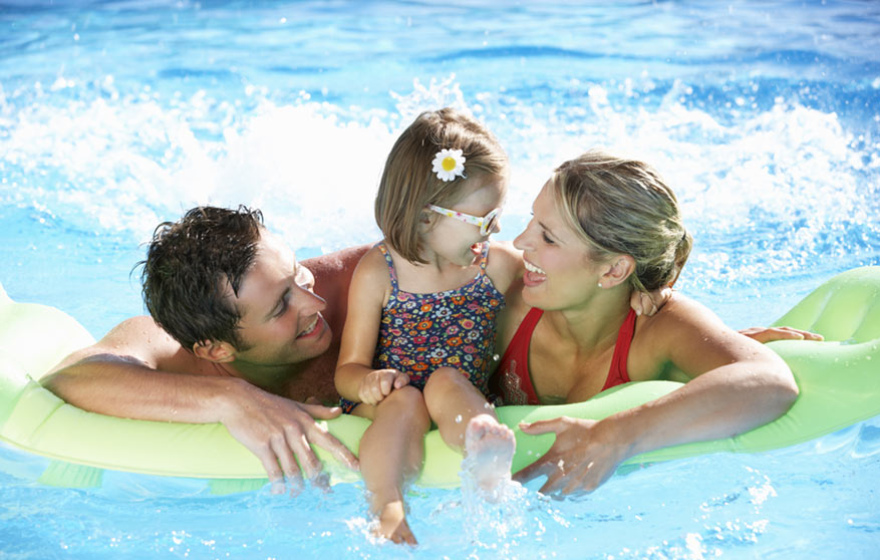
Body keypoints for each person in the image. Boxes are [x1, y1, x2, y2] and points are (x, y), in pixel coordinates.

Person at [490, 149, 810, 495]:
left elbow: (772, 382)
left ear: (614, 270)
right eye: (532, 220)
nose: (521, 241)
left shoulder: (657, 325)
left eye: (548, 237)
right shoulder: (502, 281)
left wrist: (614, 436)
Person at [43, 206, 365, 490]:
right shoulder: (168, 351)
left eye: (297, 274)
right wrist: (231, 398)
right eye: (281, 306)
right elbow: (70, 378)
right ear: (217, 351)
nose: (315, 301)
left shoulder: (362, 283)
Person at [333, 109, 523, 544]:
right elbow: (347, 371)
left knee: (445, 381)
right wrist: (369, 384)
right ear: (424, 218)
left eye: (497, 216)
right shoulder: (380, 273)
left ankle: (487, 460)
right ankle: (388, 506)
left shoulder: (495, 265)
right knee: (406, 402)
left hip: (457, 395)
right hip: (389, 405)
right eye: (484, 220)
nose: (495, 231)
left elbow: (562, 286)